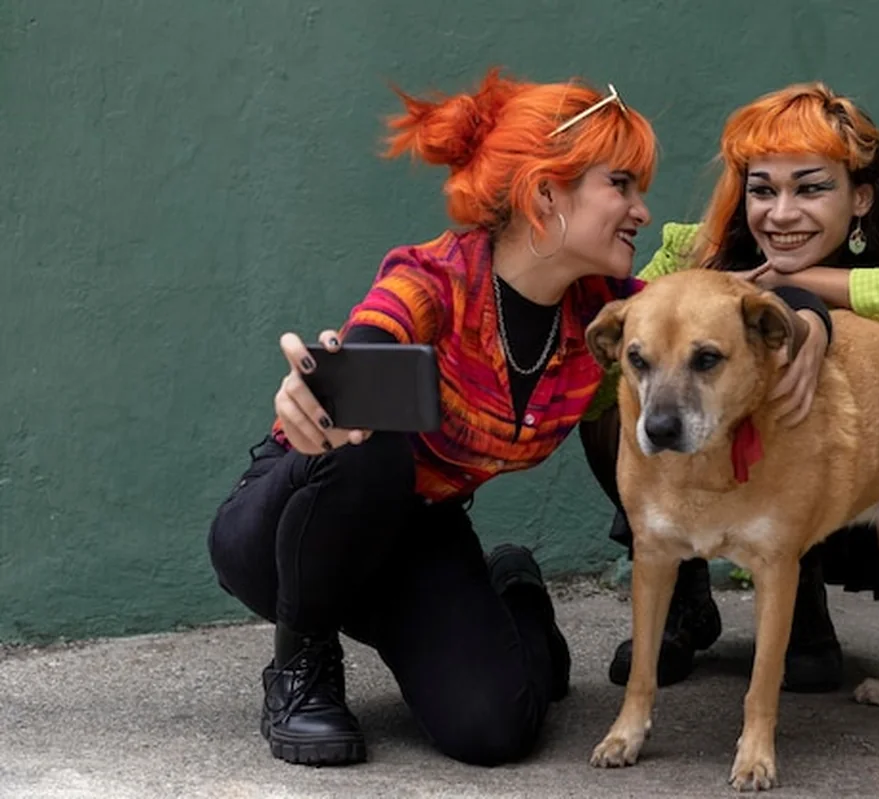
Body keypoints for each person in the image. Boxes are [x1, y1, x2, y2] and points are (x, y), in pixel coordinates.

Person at [206, 68, 824, 770]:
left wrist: (814, 322)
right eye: (620, 184)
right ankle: (302, 670)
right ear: (545, 194)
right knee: (367, 440)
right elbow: (369, 343)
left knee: (493, 727)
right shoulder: (435, 279)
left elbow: (744, 303)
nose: (640, 210)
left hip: (417, 534)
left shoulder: (620, 315)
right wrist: (314, 394)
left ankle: (513, 594)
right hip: (294, 516)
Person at [579, 81, 879, 693]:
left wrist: (806, 294)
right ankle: (683, 590)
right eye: (763, 190)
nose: (782, 213)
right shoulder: (694, 254)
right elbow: (607, 364)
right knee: (624, 402)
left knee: (810, 417)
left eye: (811, 187)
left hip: (828, 486)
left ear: (861, 197)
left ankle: (804, 601)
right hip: (684, 484)